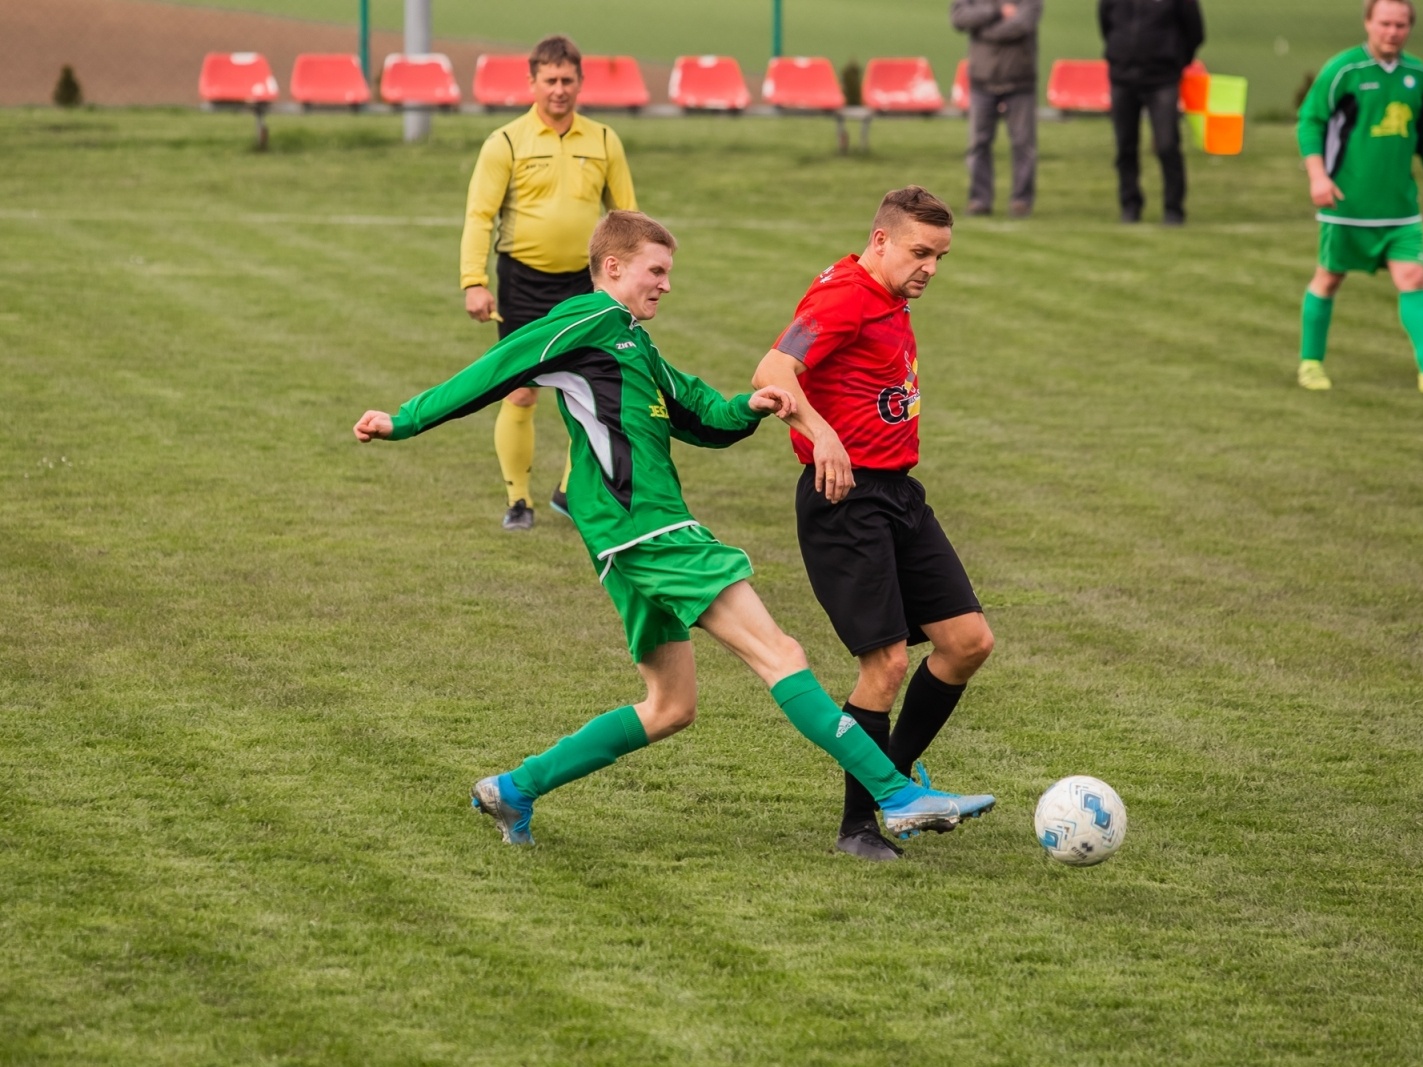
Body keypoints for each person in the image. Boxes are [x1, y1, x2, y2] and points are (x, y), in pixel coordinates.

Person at [354, 210, 996, 849]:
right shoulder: (583, 322)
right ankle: (897, 794)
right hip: (649, 531)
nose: (666, 284)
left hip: (623, 543)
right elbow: (495, 370)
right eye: (655, 271)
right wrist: (402, 421)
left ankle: (514, 790)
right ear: (613, 267)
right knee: (781, 655)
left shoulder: (632, 339)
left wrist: (751, 406)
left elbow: (699, 414)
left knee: (669, 707)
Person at [752, 188, 996, 862]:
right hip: (846, 501)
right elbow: (773, 370)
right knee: (885, 664)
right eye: (921, 252)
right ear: (881, 239)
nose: (931, 268)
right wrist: (820, 433)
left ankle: (894, 784)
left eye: (941, 256)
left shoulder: (889, 295)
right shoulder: (842, 295)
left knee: (968, 641)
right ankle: (857, 828)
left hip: (898, 493)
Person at [459, 34, 638, 530]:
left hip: (587, 284)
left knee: (592, 391)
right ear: (533, 82)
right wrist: (474, 281)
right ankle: (519, 500)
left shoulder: (604, 140)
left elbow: (626, 219)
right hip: (522, 282)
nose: (559, 89)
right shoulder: (507, 142)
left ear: (580, 83)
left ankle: (567, 491)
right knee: (521, 391)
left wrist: (635, 282)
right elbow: (480, 216)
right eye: (550, 80)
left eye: (567, 80)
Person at [1295, 0, 1423, 393]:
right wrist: (1318, 178)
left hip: (1400, 207)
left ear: (1409, 28)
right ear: (1368, 23)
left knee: (1414, 276)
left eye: (1401, 25)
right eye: (1385, 23)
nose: (1392, 32)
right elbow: (1310, 122)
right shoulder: (1344, 70)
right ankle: (1310, 363)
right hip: (1347, 205)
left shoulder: (1417, 74)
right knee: (1328, 278)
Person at [1099, 0, 1205, 225]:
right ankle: (1130, 206)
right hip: (1122, 77)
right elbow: (1105, 23)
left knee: (1167, 145)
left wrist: (1175, 60)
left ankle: (1173, 208)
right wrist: (1119, 53)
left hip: (1162, 79)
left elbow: (1195, 30)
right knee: (1125, 146)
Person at [950, 0, 1042, 218]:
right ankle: (980, 200)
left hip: (1021, 82)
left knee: (1023, 144)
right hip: (982, 81)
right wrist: (996, 11)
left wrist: (983, 30)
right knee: (978, 144)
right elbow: (959, 18)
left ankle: (1021, 201)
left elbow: (1022, 24)